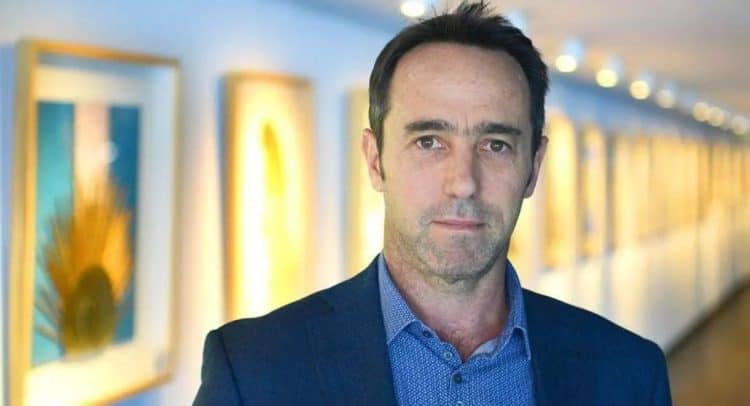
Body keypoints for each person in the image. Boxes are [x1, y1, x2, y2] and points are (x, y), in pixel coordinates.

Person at [194, 2, 672, 405]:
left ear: (533, 166)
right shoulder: (254, 371)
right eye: (429, 142)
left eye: (496, 145)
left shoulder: (628, 374)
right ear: (375, 160)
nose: (463, 183)